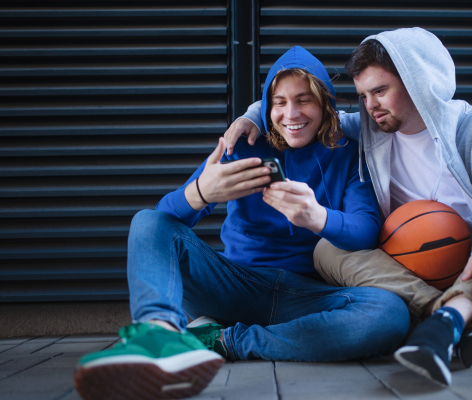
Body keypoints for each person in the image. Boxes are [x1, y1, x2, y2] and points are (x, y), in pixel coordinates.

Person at [73, 46, 410, 400]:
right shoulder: (244, 146)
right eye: (279, 102)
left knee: (388, 313)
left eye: (303, 100)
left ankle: (220, 340)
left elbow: (366, 230)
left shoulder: (348, 151)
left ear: (325, 102)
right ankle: (159, 334)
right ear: (266, 106)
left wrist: (318, 217)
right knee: (146, 220)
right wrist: (201, 193)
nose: (290, 113)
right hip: (235, 286)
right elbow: (160, 226)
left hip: (308, 295)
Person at [226, 28, 472, 386]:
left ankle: (451, 321)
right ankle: (447, 320)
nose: (370, 105)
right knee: (328, 250)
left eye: (380, 91)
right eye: (364, 94)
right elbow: (306, 111)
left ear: (419, 81)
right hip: (418, 281)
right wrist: (253, 115)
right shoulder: (371, 129)